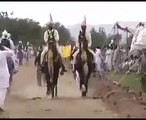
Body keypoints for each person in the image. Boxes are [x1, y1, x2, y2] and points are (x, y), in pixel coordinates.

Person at [0, 44, 14, 111]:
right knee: (3, 90)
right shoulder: (3, 53)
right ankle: (0, 104)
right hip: (3, 73)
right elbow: (12, 53)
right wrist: (5, 48)